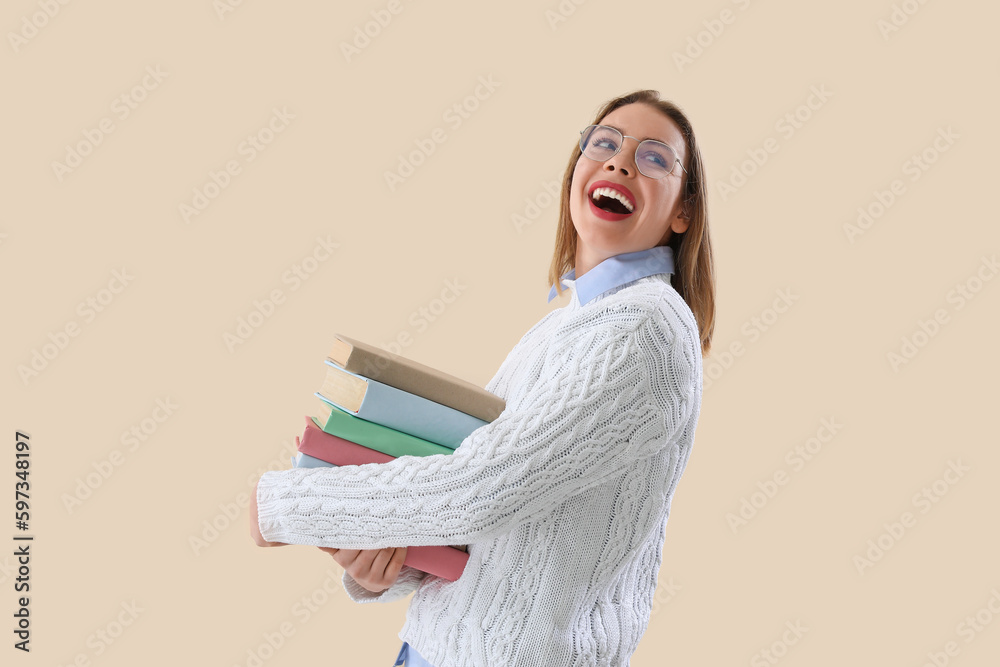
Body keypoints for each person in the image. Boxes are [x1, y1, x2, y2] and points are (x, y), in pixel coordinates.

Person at [250, 88, 716, 667]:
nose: (620, 161)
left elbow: (484, 486)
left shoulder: (644, 328)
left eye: (654, 158)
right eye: (604, 143)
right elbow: (489, 528)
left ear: (683, 212)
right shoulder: (559, 329)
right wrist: (385, 569)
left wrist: (290, 503)